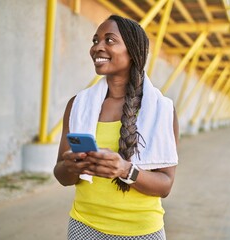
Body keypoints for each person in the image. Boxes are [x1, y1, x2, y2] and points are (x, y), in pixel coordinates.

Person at [54, 14, 179, 240]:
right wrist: (73, 166)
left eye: (109, 40)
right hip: (84, 226)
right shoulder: (78, 105)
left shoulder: (161, 109)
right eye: (95, 41)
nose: (97, 48)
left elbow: (165, 186)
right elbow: (61, 175)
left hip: (141, 231)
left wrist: (124, 170)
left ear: (132, 52)